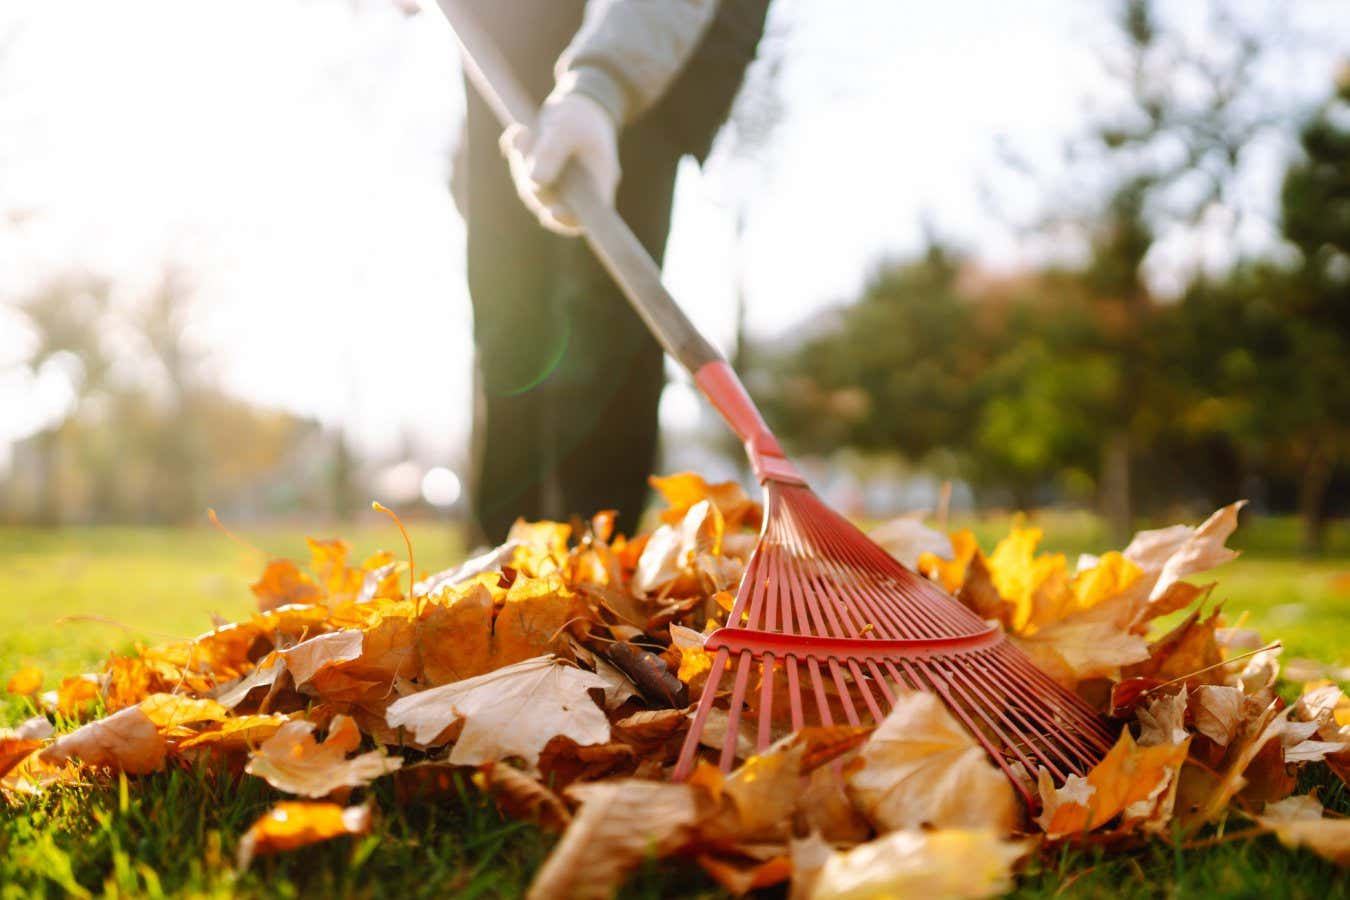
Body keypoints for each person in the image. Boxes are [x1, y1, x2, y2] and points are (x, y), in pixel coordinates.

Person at [456, 0, 770, 543]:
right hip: (501, 42)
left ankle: (600, 560)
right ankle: (505, 562)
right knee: (508, 311)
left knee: (606, 314)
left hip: (655, 38)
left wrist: (602, 86)